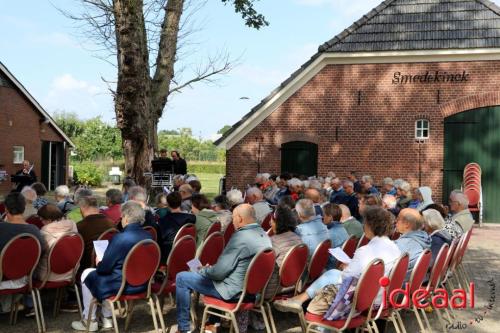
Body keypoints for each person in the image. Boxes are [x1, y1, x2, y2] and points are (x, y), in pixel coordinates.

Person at [274, 206, 401, 313]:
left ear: (370, 225)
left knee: (333, 274)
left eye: (365, 223)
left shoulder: (365, 251)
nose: (363, 226)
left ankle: (300, 301)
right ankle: (299, 300)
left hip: (362, 301)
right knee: (334, 273)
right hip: (383, 298)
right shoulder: (395, 248)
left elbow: (346, 279)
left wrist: (346, 268)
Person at [174, 204, 271, 333]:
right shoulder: (265, 235)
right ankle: (214, 322)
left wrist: (202, 270)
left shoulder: (240, 237)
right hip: (251, 291)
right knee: (208, 271)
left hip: (232, 292)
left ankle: (183, 328)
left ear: (240, 219)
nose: (233, 221)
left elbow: (219, 274)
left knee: (182, 277)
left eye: (233, 218)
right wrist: (209, 269)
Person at [71, 201, 152, 331]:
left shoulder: (120, 238)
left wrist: (100, 262)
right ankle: (107, 318)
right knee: (107, 273)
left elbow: (104, 269)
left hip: (121, 285)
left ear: (125, 217)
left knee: (87, 273)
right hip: (142, 284)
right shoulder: (149, 236)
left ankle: (90, 320)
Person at [0, 192, 45, 313]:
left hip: (3, 279)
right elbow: (42, 252)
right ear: (24, 208)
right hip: (25, 278)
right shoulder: (34, 231)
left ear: (6, 208)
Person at [265, 205, 301, 299]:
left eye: (272, 220)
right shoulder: (299, 239)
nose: (269, 223)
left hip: (273, 290)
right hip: (293, 286)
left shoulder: (273, 242)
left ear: (278, 222)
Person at [35, 204, 78, 282]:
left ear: (48, 219)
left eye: (41, 220)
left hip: (48, 275)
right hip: (71, 272)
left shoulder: (44, 232)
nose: (41, 222)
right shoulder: (73, 225)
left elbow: (38, 253)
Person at [76, 196, 115, 273]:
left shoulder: (80, 226)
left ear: (82, 208)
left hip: (87, 267)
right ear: (98, 208)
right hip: (110, 263)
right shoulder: (111, 223)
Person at [158, 191, 196, 261]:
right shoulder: (192, 218)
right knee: (196, 266)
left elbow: (160, 240)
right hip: (189, 253)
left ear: (168, 204)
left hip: (170, 255)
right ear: (181, 202)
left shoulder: (163, 220)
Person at [395, 208, 431, 276]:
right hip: (417, 281)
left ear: (407, 224)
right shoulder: (424, 238)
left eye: (398, 219)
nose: (395, 221)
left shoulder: (402, 245)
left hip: (401, 283)